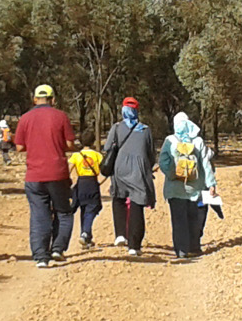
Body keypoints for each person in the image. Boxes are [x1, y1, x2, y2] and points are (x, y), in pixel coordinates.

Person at [11, 84, 77, 268]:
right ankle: (57, 249)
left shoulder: (25, 118)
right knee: (64, 212)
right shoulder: (61, 116)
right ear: (53, 99)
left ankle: (41, 257)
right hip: (58, 173)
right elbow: (70, 144)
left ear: (34, 99)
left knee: (39, 215)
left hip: (34, 175)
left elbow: (19, 147)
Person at [99, 97, 155, 256]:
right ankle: (134, 246)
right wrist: (147, 167)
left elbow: (108, 147)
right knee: (137, 204)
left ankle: (120, 234)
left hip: (120, 169)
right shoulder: (145, 130)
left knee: (118, 198)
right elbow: (151, 153)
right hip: (139, 170)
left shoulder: (116, 128)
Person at [159, 110, 217, 260]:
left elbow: (162, 161)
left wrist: (172, 174)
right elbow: (205, 164)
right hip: (194, 188)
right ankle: (194, 247)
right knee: (193, 218)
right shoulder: (198, 142)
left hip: (175, 188)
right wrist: (211, 184)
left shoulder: (170, 140)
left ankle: (181, 250)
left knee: (178, 220)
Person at [67, 137, 105, 247]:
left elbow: (68, 170)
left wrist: (68, 184)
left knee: (84, 209)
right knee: (92, 208)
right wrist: (100, 182)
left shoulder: (76, 155)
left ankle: (87, 237)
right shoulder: (97, 155)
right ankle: (85, 233)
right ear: (93, 142)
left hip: (81, 183)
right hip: (92, 182)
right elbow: (106, 171)